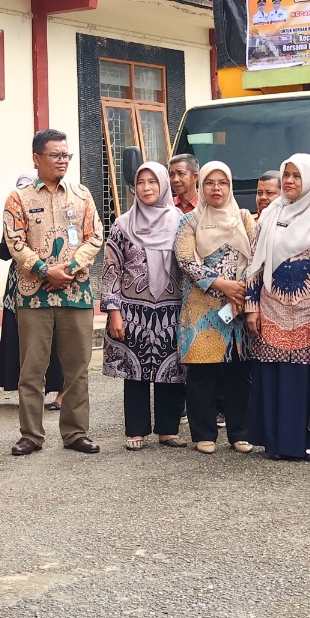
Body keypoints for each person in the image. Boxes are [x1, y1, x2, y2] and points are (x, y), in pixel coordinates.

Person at [3, 128, 103, 457]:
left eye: (66, 155)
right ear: (37, 158)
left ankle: (75, 432)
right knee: (32, 370)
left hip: (76, 293)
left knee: (77, 369)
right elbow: (14, 242)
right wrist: (46, 271)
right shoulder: (18, 198)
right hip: (34, 294)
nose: (62, 161)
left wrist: (69, 269)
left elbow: (95, 236)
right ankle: (31, 435)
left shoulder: (82, 195)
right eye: (55, 155)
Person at [244, 153, 310, 461]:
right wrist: (251, 306)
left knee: (307, 379)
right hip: (271, 308)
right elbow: (254, 264)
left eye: (297, 176)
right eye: (287, 175)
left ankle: (308, 442)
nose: (289, 181)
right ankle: (276, 442)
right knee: (274, 375)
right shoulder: (270, 215)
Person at [101, 162, 185, 449]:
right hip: (132, 311)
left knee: (171, 370)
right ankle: (136, 431)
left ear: (163, 185)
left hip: (172, 309)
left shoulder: (181, 222)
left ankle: (168, 430)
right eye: (141, 182)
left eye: (153, 182)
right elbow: (111, 270)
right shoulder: (123, 225)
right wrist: (114, 312)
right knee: (134, 372)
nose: (146, 188)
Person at [175, 162, 255, 453]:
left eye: (223, 182)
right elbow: (186, 260)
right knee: (202, 374)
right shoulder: (190, 221)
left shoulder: (244, 218)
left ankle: (240, 433)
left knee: (239, 373)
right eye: (210, 182)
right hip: (202, 307)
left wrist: (240, 291)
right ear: (201, 186)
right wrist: (222, 285)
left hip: (238, 307)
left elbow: (256, 258)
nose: (216, 188)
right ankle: (204, 434)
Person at [0, 172, 63, 405]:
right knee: (21, 339)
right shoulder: (13, 215)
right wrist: (12, 241)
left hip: (50, 282)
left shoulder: (54, 212)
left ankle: (62, 392)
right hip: (19, 286)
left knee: (54, 340)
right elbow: (3, 252)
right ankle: (30, 392)